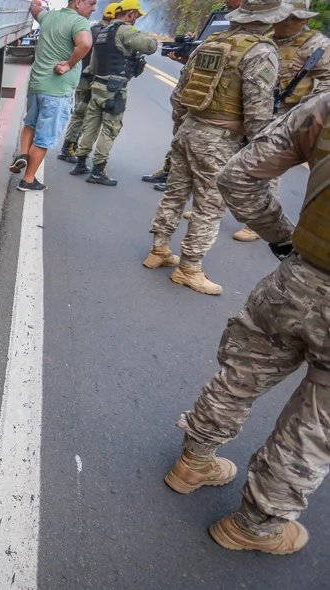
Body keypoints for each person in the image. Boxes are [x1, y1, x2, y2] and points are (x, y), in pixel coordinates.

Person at [164, 92, 330, 555]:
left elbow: (238, 175)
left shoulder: (325, 107)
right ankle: (253, 525)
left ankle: (193, 462)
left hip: (298, 278)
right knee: (316, 422)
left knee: (242, 373)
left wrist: (282, 237)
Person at [142, 0, 290, 296]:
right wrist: (259, 150)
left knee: (175, 192)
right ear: (270, 20)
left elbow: (180, 93)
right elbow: (258, 112)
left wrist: (182, 127)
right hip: (219, 139)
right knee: (210, 205)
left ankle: (159, 249)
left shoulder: (210, 43)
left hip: (189, 129)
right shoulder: (260, 51)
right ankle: (189, 268)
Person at [233, 0, 330, 242]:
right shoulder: (267, 37)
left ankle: (257, 224)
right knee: (234, 164)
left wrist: (304, 110)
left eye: (294, 17)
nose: (286, 22)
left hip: (286, 115)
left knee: (267, 169)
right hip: (255, 109)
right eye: (285, 16)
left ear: (304, 20)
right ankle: (214, 207)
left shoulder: (316, 45)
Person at [147, 0, 244, 191]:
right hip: (195, 96)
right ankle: (171, 171)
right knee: (182, 137)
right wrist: (188, 55)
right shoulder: (220, 30)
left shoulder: (253, 41)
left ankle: (188, 181)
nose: (225, 2)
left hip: (218, 109)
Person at [9, 0, 98, 192]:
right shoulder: (79, 22)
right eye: (91, 3)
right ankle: (28, 180)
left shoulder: (49, 17)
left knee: (30, 123)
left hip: (36, 86)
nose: (94, 8)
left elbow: (35, 10)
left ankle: (23, 154)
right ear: (78, 2)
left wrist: (34, 3)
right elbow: (84, 43)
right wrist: (69, 64)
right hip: (57, 91)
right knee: (45, 137)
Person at [69, 0, 157, 185]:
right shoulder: (126, 30)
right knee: (109, 130)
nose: (137, 19)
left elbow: (93, 63)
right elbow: (149, 46)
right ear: (131, 14)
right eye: (137, 15)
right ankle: (98, 172)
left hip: (97, 86)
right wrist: (154, 41)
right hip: (114, 89)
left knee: (90, 126)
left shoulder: (103, 32)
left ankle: (81, 163)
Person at [56, 2, 120, 163]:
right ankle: (69, 147)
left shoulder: (93, 29)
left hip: (84, 79)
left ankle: (71, 146)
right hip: (90, 80)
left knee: (82, 114)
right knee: (82, 114)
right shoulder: (106, 33)